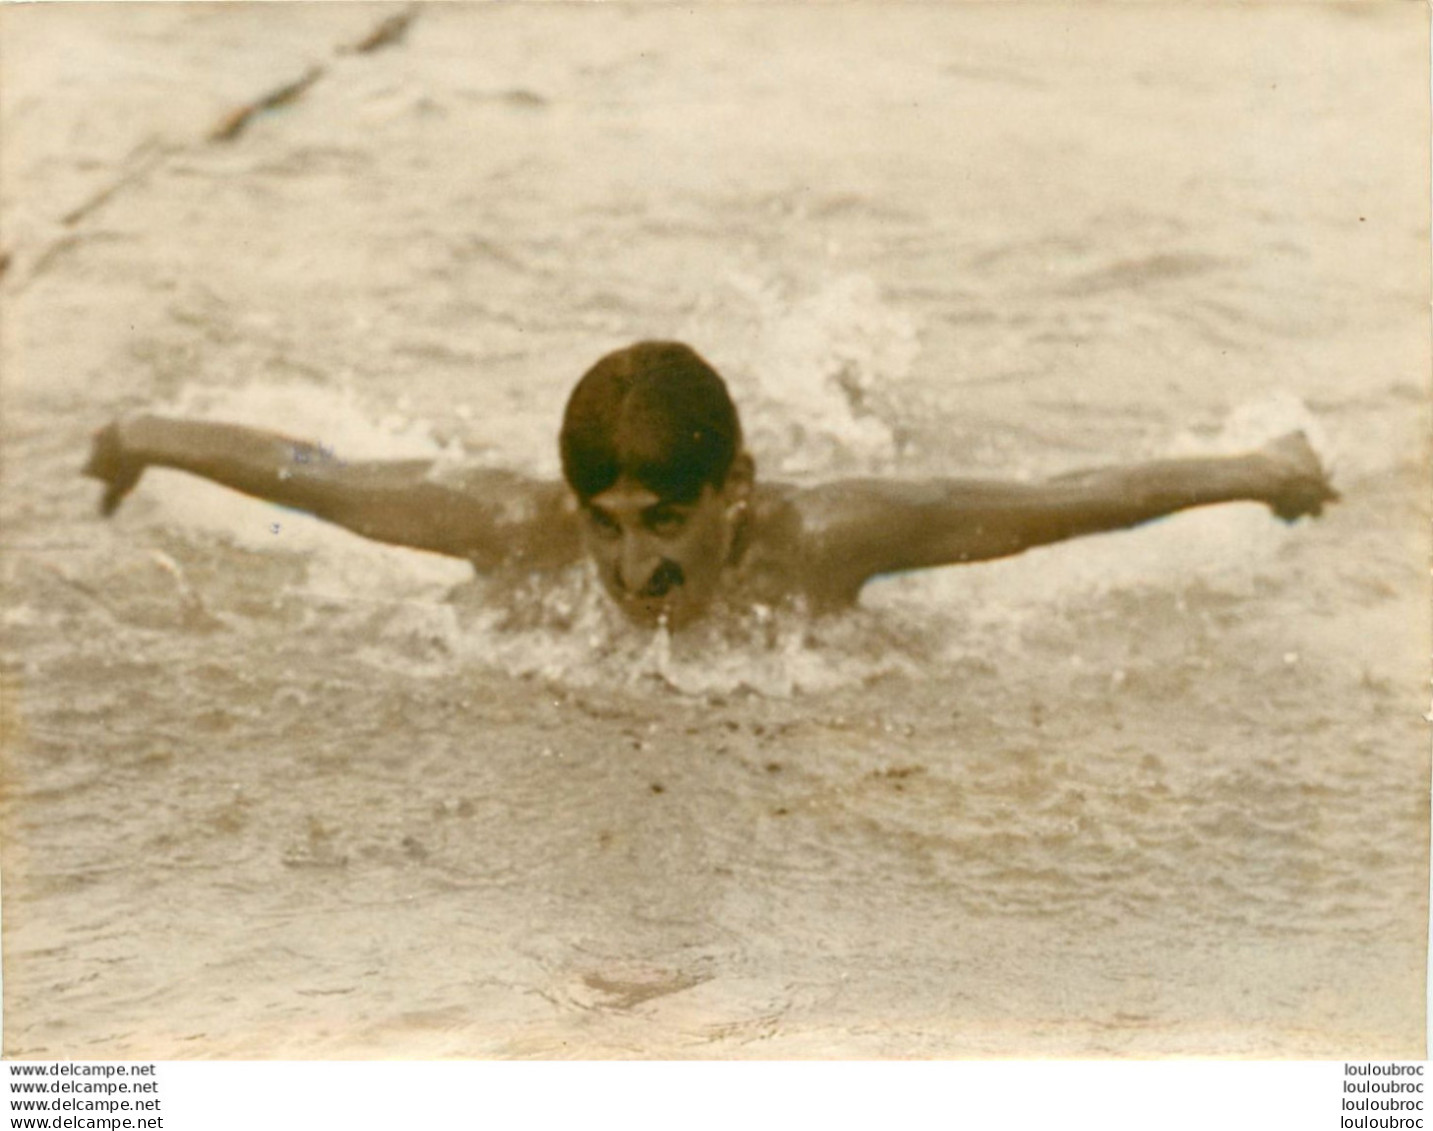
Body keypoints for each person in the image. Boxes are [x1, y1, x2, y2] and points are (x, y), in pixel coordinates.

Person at [83, 340, 1338, 629]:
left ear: (734, 490)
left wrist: (1260, 470)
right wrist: (143, 432)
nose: (634, 570)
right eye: (608, 527)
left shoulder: (831, 538)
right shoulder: (513, 528)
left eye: (664, 522)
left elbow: (1070, 497)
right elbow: (320, 479)